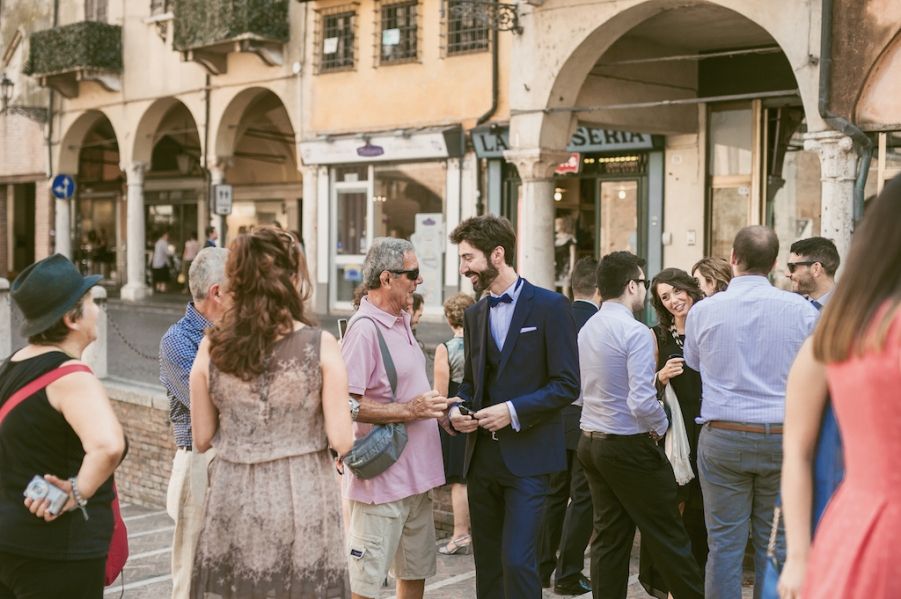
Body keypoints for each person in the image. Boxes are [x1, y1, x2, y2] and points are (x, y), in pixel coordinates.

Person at [189, 227, 353, 598]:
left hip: (233, 493)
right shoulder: (321, 346)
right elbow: (343, 439)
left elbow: (201, 438)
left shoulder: (210, 346)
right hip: (304, 492)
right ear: (292, 280)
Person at [778, 176, 901, 599]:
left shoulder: (838, 329)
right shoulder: (841, 330)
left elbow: (796, 449)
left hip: (860, 525)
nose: (791, 274)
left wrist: (799, 555)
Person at [448, 215, 580, 599]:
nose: (463, 269)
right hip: (482, 459)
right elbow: (472, 384)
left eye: (468, 258)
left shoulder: (552, 306)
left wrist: (513, 410)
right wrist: (457, 411)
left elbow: (567, 385)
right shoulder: (474, 315)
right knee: (487, 565)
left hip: (530, 459)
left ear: (498, 254)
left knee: (519, 562)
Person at [684, 226, 818, 598]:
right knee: (774, 544)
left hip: (724, 434)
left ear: (733, 258)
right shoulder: (801, 310)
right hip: (782, 436)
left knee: (724, 545)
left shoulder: (704, 311)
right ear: (775, 264)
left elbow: (693, 362)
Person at [578, 251, 703, 599]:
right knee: (669, 533)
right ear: (632, 285)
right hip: (627, 444)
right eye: (644, 284)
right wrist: (661, 426)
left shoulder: (588, 327)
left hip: (591, 441)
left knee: (609, 537)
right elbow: (642, 399)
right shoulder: (633, 332)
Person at [0, 254, 126, 597]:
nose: (96, 310)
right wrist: (77, 491)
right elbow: (108, 445)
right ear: (72, 318)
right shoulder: (72, 378)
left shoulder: (8, 367)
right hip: (59, 554)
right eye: (89, 302)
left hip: (10, 544)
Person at [339, 237, 447, 599]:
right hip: (382, 485)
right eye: (412, 274)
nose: (418, 281)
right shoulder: (364, 329)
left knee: (414, 577)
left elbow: (408, 391)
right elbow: (344, 404)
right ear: (387, 278)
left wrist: (443, 414)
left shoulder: (401, 321)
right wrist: (409, 411)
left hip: (417, 480)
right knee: (364, 587)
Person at [159, 247, 228, 599]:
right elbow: (213, 407)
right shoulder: (179, 341)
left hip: (235, 461)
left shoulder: (240, 335)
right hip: (198, 462)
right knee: (192, 577)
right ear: (218, 292)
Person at [639, 267, 708, 598]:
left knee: (701, 513)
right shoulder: (657, 336)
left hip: (707, 428)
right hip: (674, 436)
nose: (673, 301)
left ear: (690, 289)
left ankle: (696, 584)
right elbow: (641, 389)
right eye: (665, 297)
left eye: (677, 292)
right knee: (673, 510)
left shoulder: (709, 326)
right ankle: (669, 586)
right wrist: (661, 376)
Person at [538, 256, 597, 596]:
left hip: (552, 417)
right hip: (584, 416)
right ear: (599, 288)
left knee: (554, 494)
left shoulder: (553, 318)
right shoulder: (600, 323)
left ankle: (543, 568)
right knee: (584, 497)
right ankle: (569, 573)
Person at [434, 293, 476, 557]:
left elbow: (439, 394)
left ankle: (460, 534)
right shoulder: (483, 346)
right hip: (480, 415)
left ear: (450, 319)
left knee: (459, 481)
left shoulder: (446, 348)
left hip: (456, 418)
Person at [786, 237, 839, 308]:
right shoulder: (794, 308)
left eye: (792, 267)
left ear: (816, 269)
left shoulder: (851, 309)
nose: (787, 274)